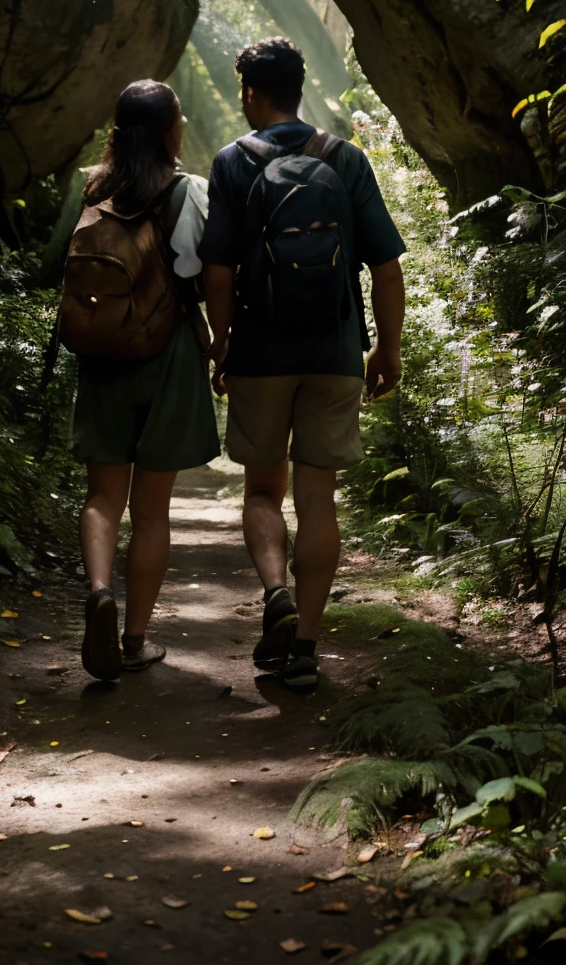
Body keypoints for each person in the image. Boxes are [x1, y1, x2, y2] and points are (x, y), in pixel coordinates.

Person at [201, 37, 405, 692]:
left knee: (263, 491)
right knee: (320, 498)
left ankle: (276, 594)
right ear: (299, 86)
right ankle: (307, 649)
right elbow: (386, 265)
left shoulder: (233, 163)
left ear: (253, 94)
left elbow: (218, 271)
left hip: (261, 353)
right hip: (336, 353)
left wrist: (221, 340)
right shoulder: (345, 160)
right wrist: (387, 348)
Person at [66, 80, 220, 682]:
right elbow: (210, 278)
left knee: (102, 497)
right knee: (153, 512)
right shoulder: (189, 193)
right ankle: (132, 640)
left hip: (101, 355)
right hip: (169, 356)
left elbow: (61, 266)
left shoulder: (88, 187)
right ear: (168, 130)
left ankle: (100, 590)